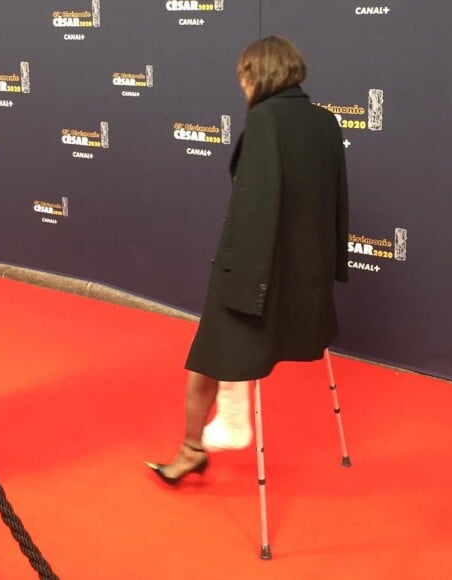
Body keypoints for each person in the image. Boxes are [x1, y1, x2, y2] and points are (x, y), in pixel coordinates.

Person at [146, 35, 349, 484]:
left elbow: (255, 211)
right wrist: (333, 270)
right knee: (223, 353)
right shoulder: (326, 123)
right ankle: (212, 433)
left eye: (243, 76)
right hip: (308, 284)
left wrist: (243, 292)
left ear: (257, 75)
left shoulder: (264, 122)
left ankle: (193, 448)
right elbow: (338, 203)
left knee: (206, 360)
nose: (241, 86)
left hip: (257, 277)